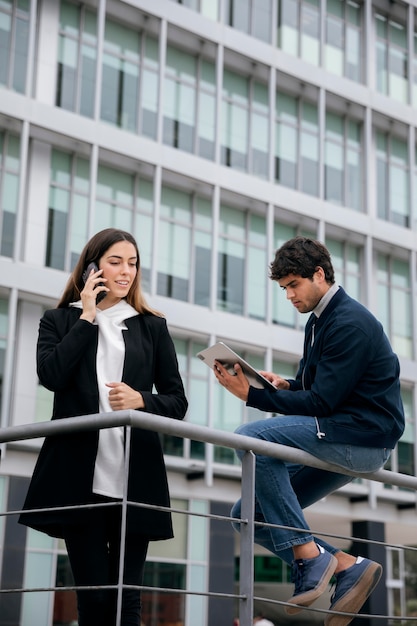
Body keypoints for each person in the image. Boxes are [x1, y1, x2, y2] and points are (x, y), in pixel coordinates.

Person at [213, 237, 404, 626]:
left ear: (319, 274)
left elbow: (322, 402)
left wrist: (252, 396)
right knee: (246, 515)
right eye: (284, 288)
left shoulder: (350, 322)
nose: (288, 295)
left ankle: (308, 555)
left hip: (361, 440)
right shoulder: (319, 320)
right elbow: (313, 387)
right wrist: (283, 385)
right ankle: (346, 566)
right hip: (338, 432)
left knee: (254, 437)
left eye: (293, 285)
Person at [19, 228, 188, 626]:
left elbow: (177, 402)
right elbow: (52, 375)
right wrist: (87, 316)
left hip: (135, 478)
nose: (126, 271)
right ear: (92, 267)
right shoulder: (59, 320)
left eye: (132, 263)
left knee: (126, 601)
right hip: (79, 477)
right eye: (116, 262)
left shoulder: (152, 326)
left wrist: (140, 401)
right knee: (93, 599)